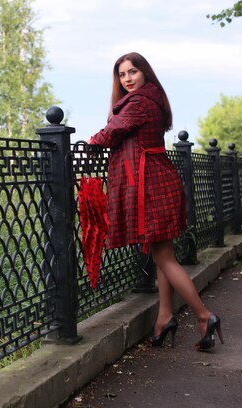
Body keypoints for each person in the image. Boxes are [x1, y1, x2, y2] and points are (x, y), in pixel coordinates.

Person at [88, 52, 223, 351]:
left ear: (145, 73)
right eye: (122, 74)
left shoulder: (138, 102)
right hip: (159, 180)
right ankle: (164, 317)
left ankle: (204, 316)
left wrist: (92, 141)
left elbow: (113, 131)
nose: (127, 78)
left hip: (150, 184)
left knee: (164, 257)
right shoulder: (151, 99)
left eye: (133, 71)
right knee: (163, 252)